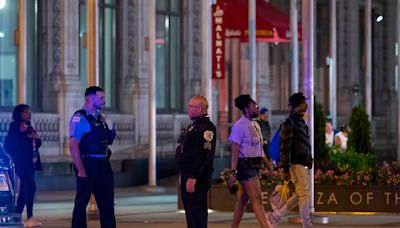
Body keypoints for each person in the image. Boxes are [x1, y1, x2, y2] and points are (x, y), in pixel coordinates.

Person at [69, 86, 116, 228]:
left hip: (103, 164)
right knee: (81, 202)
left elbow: (105, 140)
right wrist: (81, 170)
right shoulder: (80, 118)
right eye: (101, 98)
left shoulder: (100, 118)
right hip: (87, 164)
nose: (104, 100)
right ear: (90, 99)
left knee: (107, 203)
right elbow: (73, 146)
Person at [267, 92, 313, 228]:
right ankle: (306, 223)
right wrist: (285, 168)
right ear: (296, 106)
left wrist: (309, 159)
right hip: (295, 163)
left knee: (300, 194)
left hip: (301, 162)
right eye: (303, 102)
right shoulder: (290, 123)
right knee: (303, 193)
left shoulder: (300, 121)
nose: (306, 105)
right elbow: (285, 147)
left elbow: (304, 143)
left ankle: (275, 216)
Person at [228, 94, 270, 228]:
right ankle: (266, 226)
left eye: (257, 105)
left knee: (243, 200)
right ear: (246, 109)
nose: (257, 108)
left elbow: (260, 147)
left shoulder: (256, 124)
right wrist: (233, 173)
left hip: (255, 164)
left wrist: (269, 164)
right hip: (244, 165)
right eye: (254, 106)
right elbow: (234, 152)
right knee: (257, 198)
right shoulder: (239, 126)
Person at [175, 95, 216, 228]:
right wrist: (182, 173)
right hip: (187, 175)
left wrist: (193, 176)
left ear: (198, 109)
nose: (187, 109)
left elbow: (204, 155)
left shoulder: (206, 128)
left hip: (197, 178)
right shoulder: (193, 126)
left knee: (197, 215)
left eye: (190, 107)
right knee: (190, 215)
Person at [4, 104, 42, 227]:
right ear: (19, 114)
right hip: (21, 162)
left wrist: (35, 138)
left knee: (27, 189)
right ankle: (22, 215)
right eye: (26, 112)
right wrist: (27, 137)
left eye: (29, 112)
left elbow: (37, 142)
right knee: (29, 187)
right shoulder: (14, 126)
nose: (29, 114)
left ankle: (23, 216)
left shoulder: (29, 127)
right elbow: (12, 143)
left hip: (31, 163)